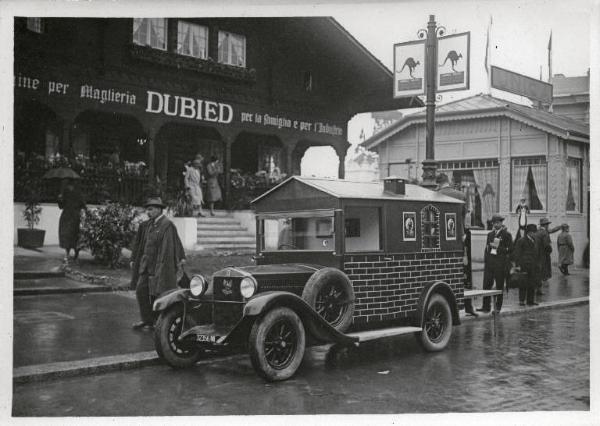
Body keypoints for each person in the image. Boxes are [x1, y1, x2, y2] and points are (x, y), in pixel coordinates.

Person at [129, 197, 186, 330]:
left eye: (151, 209)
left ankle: (158, 322)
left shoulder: (167, 225)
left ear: (160, 210)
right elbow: (138, 244)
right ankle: (147, 320)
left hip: (159, 265)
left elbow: (175, 242)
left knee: (158, 293)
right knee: (141, 291)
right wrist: (133, 259)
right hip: (146, 265)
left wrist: (180, 258)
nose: (148, 212)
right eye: (147, 210)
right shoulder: (147, 225)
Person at [477, 214, 512, 313]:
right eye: (495, 222)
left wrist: (498, 248)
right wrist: (486, 261)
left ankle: (497, 307)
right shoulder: (490, 234)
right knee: (486, 285)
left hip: (500, 264)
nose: (496, 224)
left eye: (498, 222)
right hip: (490, 264)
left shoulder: (506, 235)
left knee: (499, 286)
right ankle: (486, 306)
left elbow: (510, 249)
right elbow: (487, 249)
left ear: (501, 223)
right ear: (492, 224)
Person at [58, 179, 86, 261]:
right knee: (69, 234)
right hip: (69, 216)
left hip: (72, 216)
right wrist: (60, 199)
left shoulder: (76, 192)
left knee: (73, 234)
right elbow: (61, 206)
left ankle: (73, 253)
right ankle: (69, 253)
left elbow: (82, 204)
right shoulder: (67, 192)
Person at [513, 224, 540, 306]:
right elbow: (517, 254)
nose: (535, 234)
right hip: (524, 265)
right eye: (534, 232)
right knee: (523, 283)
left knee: (532, 283)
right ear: (529, 232)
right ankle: (522, 300)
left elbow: (536, 253)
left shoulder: (535, 240)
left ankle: (530, 300)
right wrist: (518, 265)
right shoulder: (521, 241)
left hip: (533, 265)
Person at [535, 217, 561, 292]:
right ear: (546, 225)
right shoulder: (544, 233)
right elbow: (547, 245)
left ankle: (538, 288)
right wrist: (550, 250)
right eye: (547, 225)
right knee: (544, 271)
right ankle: (539, 289)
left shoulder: (537, 232)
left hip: (537, 254)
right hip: (544, 255)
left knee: (539, 271)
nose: (548, 226)